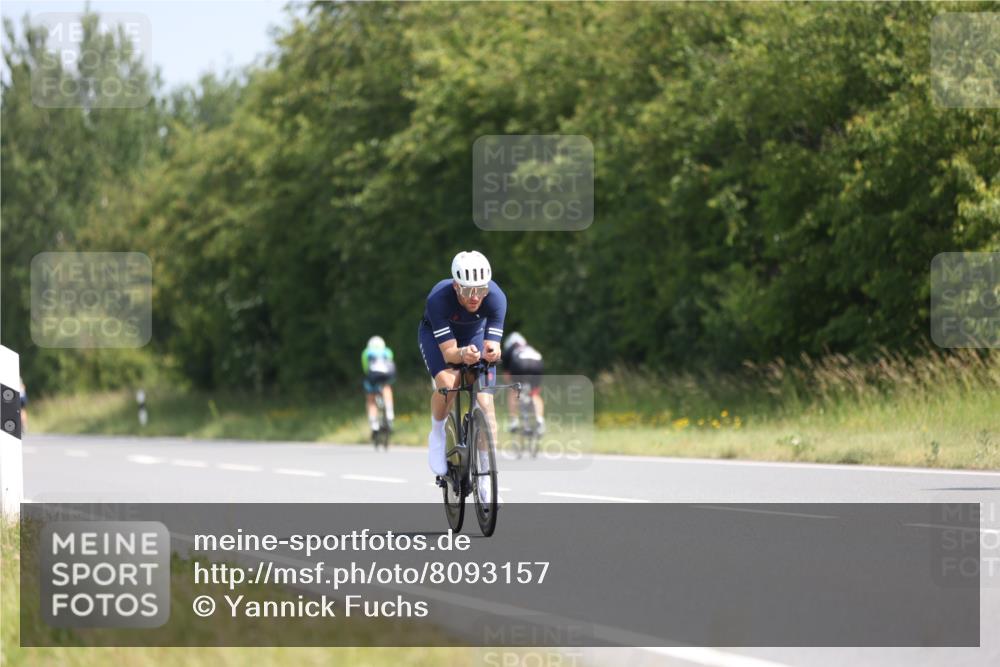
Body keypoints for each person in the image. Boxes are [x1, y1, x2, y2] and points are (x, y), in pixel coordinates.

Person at [418, 250, 506, 477]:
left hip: (474, 334)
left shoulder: (496, 297)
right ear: (457, 286)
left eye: (481, 290)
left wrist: (492, 351)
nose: (475, 296)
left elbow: (493, 345)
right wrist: (463, 353)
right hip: (440, 339)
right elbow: (449, 353)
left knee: (486, 404)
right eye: (468, 290)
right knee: (450, 381)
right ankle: (437, 434)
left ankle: (487, 476)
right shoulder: (438, 300)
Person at [502, 332, 545, 435]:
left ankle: (514, 421)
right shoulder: (528, 346)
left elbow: (507, 376)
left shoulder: (509, 349)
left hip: (520, 363)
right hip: (537, 362)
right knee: (534, 394)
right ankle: (540, 420)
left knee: (513, 391)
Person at [361, 336, 395, 438]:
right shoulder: (387, 351)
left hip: (373, 376)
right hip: (387, 375)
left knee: (371, 400)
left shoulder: (366, 352)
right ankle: (389, 413)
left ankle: (374, 425)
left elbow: (366, 368)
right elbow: (390, 364)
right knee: (387, 387)